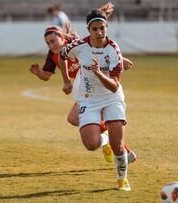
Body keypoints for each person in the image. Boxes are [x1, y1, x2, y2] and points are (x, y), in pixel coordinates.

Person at [29, 3, 136, 165]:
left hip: (96, 86)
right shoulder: (54, 55)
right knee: (74, 120)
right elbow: (48, 73)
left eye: (54, 40)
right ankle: (109, 143)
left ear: (62, 37)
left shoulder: (76, 44)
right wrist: (39, 73)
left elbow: (101, 47)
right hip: (85, 88)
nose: (52, 45)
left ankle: (119, 149)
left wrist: (123, 59)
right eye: (48, 43)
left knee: (76, 118)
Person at [58, 4, 132, 191]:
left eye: (102, 28)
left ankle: (122, 180)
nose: (99, 32)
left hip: (111, 97)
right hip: (88, 98)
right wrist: (66, 80)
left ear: (107, 28)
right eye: (95, 29)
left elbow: (114, 86)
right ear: (88, 30)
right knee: (91, 144)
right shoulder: (80, 46)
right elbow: (62, 54)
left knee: (119, 146)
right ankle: (104, 139)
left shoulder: (114, 51)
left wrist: (99, 74)